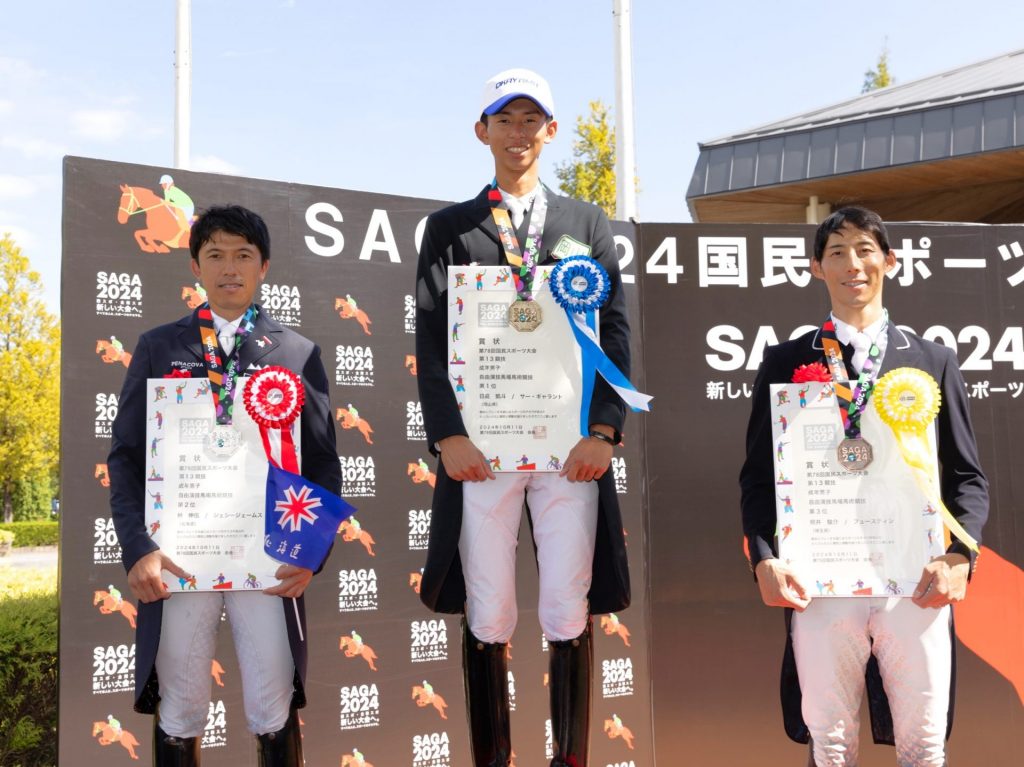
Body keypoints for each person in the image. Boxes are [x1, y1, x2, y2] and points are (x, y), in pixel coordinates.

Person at [414, 67, 631, 767]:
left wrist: (602, 431)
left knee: (568, 607)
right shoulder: (449, 228)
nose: (518, 133)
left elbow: (616, 331)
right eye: (504, 120)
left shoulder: (586, 223)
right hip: (483, 453)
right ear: (482, 131)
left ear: (552, 132)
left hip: (569, 451)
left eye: (531, 120)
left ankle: (570, 759)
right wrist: (447, 434)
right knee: (489, 610)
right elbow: (428, 334)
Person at [739, 206, 989, 766]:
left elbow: (966, 477)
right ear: (815, 269)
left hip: (913, 577)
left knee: (923, 742)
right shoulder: (785, 361)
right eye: (837, 253)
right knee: (829, 741)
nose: (852, 264)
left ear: (889, 262)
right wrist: (764, 558)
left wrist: (959, 556)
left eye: (865, 250)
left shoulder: (931, 361)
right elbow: (758, 480)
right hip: (821, 578)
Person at [108, 205, 341, 766]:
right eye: (215, 255)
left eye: (243, 255)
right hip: (180, 560)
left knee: (272, 702)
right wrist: (139, 547)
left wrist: (310, 551)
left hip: (266, 558)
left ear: (264, 267)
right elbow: (125, 456)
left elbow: (322, 465)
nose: (229, 268)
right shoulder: (159, 347)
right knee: (181, 705)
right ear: (195, 266)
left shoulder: (298, 352)